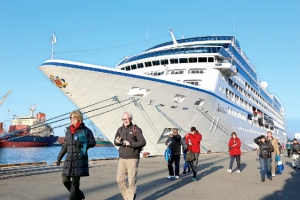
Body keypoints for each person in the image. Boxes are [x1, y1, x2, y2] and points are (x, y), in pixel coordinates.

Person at [56, 110, 96, 200]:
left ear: (79, 118)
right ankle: (79, 195)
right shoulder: (68, 131)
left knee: (75, 184)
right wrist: (59, 158)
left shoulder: (86, 130)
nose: (72, 120)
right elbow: (65, 146)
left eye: (74, 118)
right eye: (71, 118)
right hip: (69, 160)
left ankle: (74, 196)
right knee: (65, 180)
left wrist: (83, 144)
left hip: (79, 159)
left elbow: (93, 142)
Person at [114, 112, 146, 200]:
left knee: (131, 181)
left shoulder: (136, 129)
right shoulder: (120, 130)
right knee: (119, 179)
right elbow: (115, 142)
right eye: (123, 119)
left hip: (133, 158)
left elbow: (143, 142)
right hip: (122, 158)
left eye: (127, 119)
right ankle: (127, 197)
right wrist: (117, 142)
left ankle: (130, 198)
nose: (125, 121)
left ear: (130, 119)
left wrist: (131, 144)